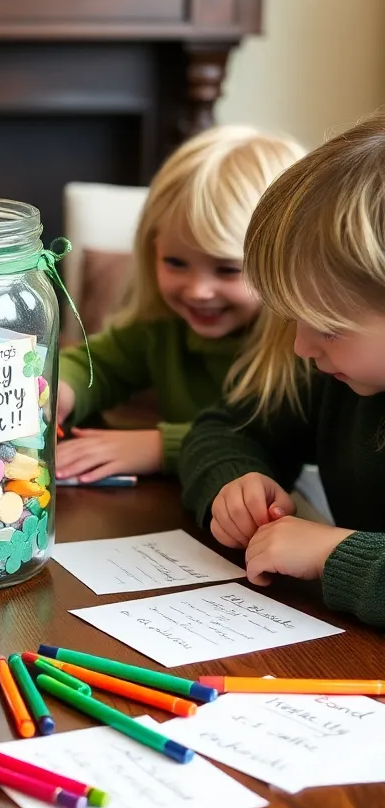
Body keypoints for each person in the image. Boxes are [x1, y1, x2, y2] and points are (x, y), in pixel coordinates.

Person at [180, 114, 385, 627]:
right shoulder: (334, 377)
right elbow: (225, 427)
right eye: (293, 320)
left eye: (328, 327)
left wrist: (335, 554)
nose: (300, 346)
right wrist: (238, 484)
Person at [56, 126, 305, 484]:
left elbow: (277, 439)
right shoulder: (163, 327)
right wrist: (61, 389)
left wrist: (160, 446)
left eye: (227, 268)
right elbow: (99, 365)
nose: (198, 291)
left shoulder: (307, 349)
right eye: (175, 262)